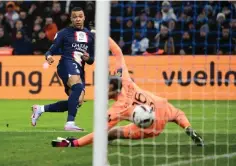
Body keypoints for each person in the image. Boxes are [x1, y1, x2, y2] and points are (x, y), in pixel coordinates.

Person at [51, 37, 204, 147]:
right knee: (177, 114)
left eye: (106, 88)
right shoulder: (124, 79)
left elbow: (98, 133)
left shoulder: (118, 109)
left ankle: (108, 143)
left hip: (150, 127)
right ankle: (188, 128)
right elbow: (117, 51)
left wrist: (76, 143)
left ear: (113, 90)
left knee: (112, 132)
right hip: (160, 106)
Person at [31, 7, 95, 131]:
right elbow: (51, 49)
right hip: (66, 64)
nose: (77, 19)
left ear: (84, 18)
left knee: (78, 101)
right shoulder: (64, 33)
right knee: (77, 87)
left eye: (80, 16)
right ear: (71, 19)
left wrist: (88, 59)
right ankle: (70, 123)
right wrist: (49, 56)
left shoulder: (90, 36)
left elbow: (92, 59)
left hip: (79, 69)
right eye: (75, 17)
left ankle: (40, 109)